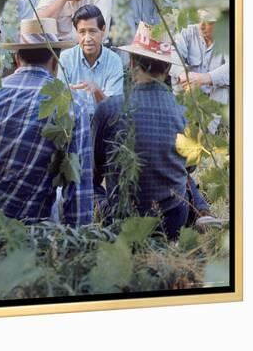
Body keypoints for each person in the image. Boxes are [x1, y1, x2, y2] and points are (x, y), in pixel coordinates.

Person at [0, 18, 93, 227]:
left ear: (16, 59)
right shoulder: (73, 104)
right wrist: (80, 241)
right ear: (55, 60)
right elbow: (77, 189)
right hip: (25, 229)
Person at [92, 22, 218, 239]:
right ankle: (201, 212)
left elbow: (95, 169)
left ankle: (202, 212)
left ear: (131, 63)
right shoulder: (185, 112)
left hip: (120, 221)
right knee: (182, 177)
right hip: (171, 221)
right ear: (168, 69)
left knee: (88, 187)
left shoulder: (108, 108)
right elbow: (190, 166)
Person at [58, 4, 123, 118]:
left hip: (103, 126)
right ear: (76, 32)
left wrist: (97, 91)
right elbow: (60, 103)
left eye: (92, 31)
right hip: (73, 124)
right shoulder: (65, 58)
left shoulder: (114, 61)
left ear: (102, 30)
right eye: (82, 32)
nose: (87, 39)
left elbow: (114, 111)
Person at [170, 8, 229, 105]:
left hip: (216, 102)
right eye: (200, 20)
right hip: (189, 96)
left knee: (224, 89)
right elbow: (173, 54)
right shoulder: (187, 32)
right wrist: (183, 75)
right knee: (177, 77)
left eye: (208, 22)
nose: (201, 26)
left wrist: (205, 78)